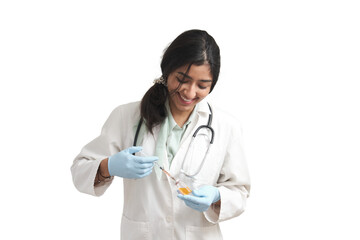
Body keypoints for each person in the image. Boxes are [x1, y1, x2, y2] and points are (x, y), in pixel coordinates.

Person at [71, 29, 250, 240]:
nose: (190, 93)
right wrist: (108, 166)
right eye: (182, 79)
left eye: (202, 85)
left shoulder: (225, 127)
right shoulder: (126, 117)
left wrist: (217, 196)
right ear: (168, 71)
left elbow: (239, 192)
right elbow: (80, 170)